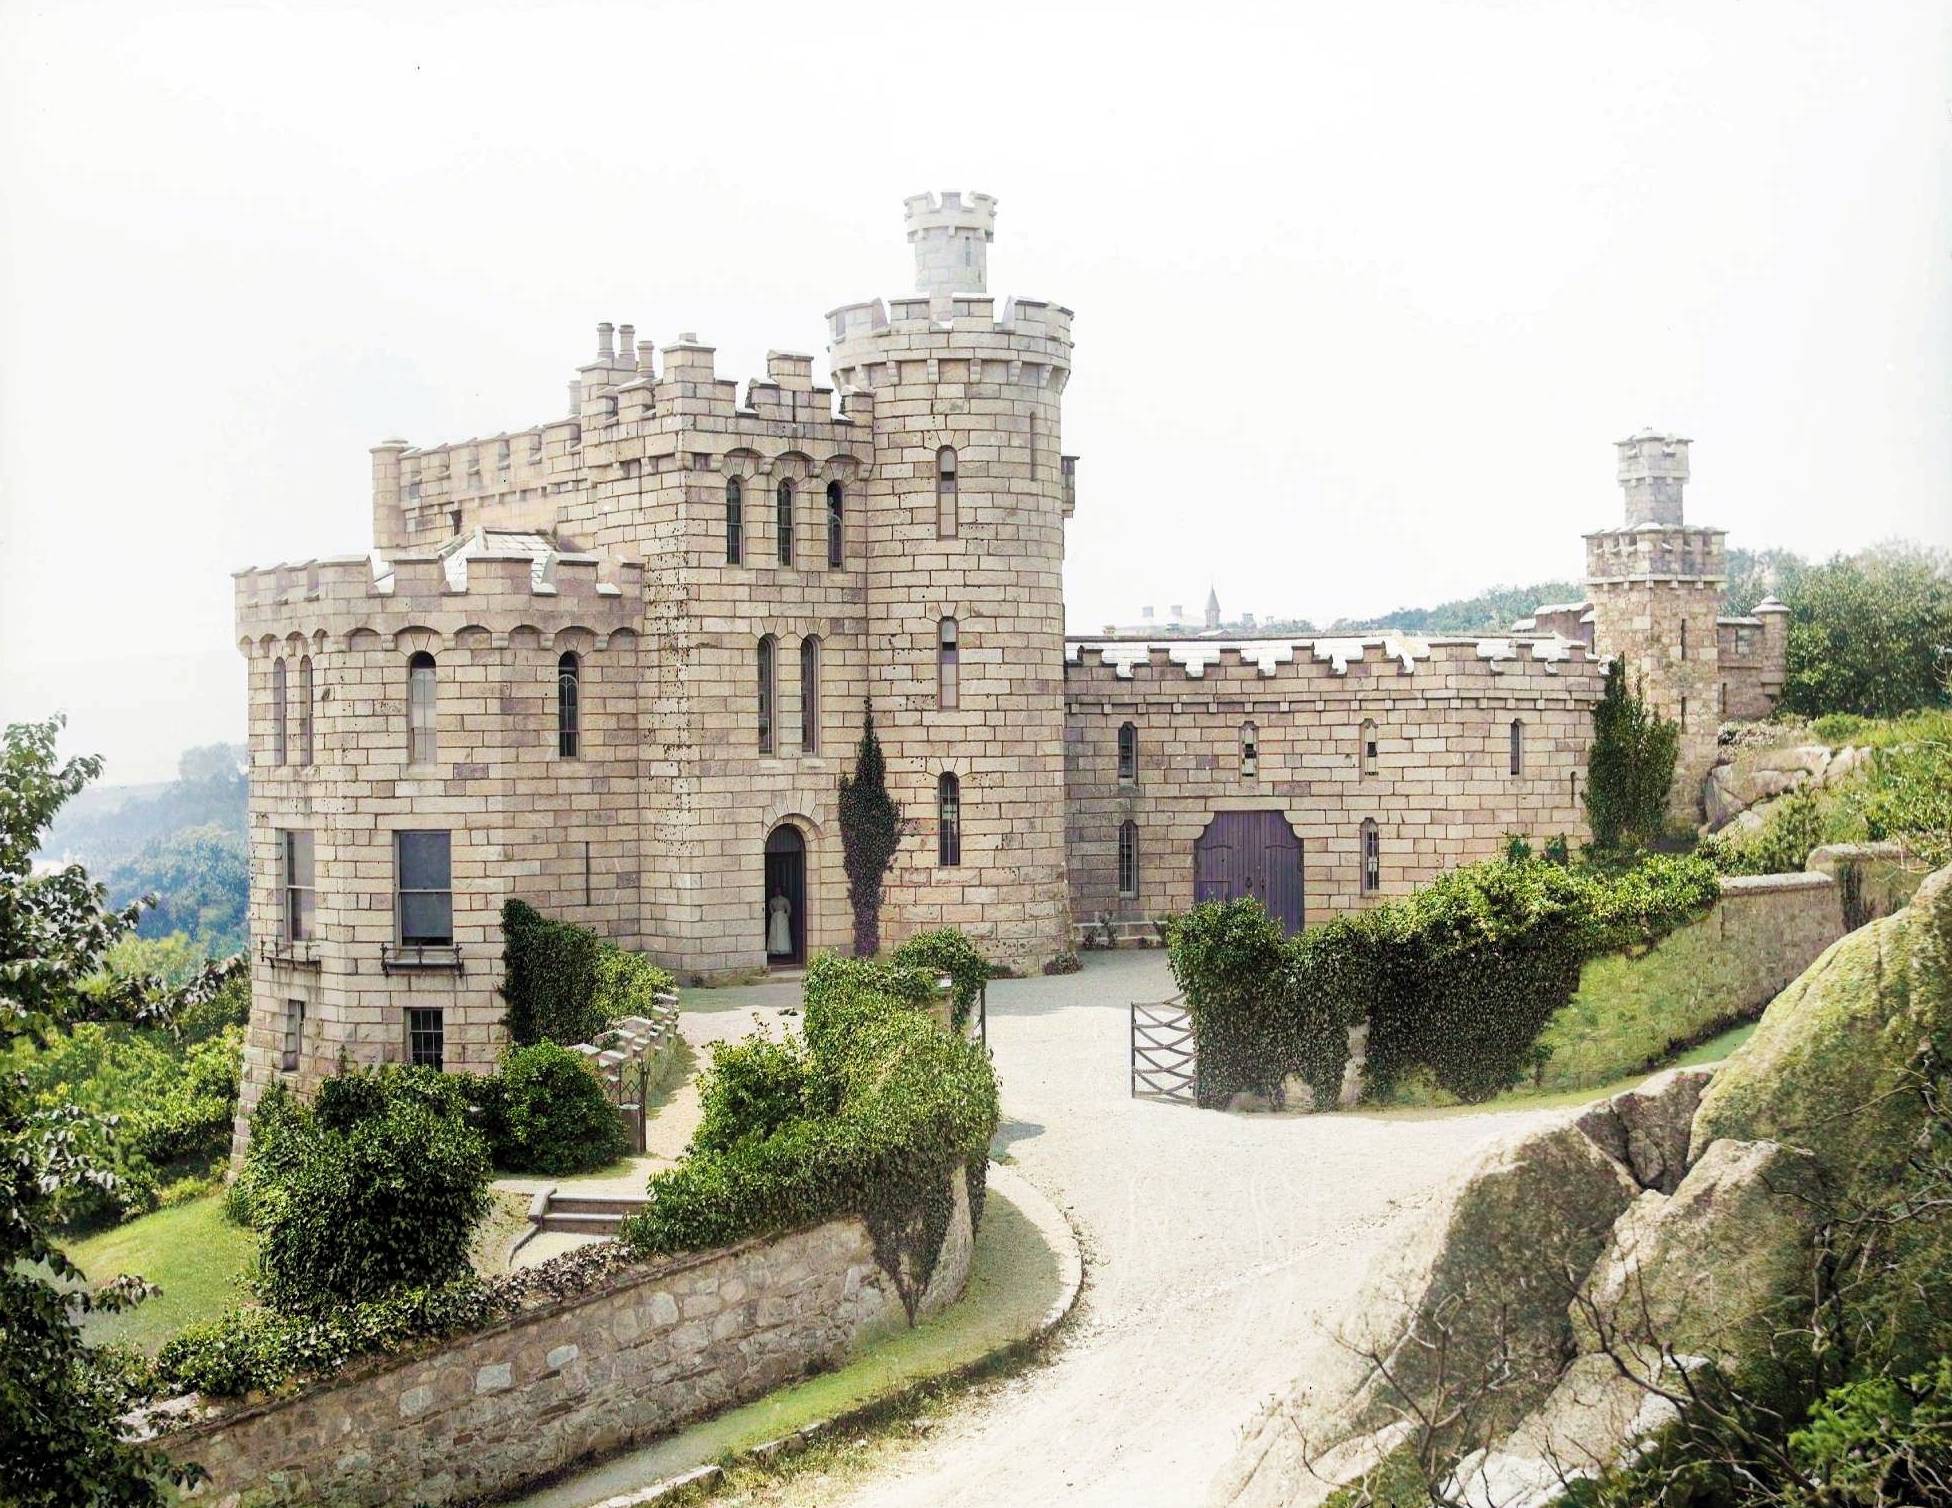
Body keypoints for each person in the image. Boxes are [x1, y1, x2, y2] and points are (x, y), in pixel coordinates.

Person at [767, 889, 792, 957]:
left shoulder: (785, 900)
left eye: (779, 890)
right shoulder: (772, 900)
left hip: (782, 918)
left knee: (782, 934)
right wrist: (773, 914)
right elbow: (770, 908)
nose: (777, 891)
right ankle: (774, 950)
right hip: (775, 917)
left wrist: (785, 917)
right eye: (776, 890)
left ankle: (784, 949)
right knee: (774, 933)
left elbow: (789, 909)